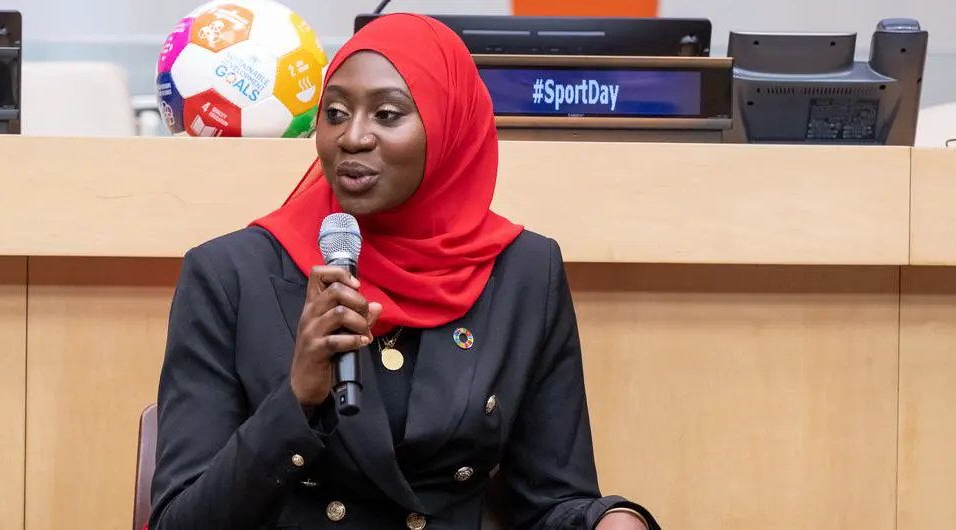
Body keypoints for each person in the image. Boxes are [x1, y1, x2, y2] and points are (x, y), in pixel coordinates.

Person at [149, 12, 659, 530]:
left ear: (449, 126)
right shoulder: (229, 275)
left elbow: (551, 499)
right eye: (336, 112)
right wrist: (297, 399)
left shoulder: (525, 271)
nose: (352, 137)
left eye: (387, 114)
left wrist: (608, 522)